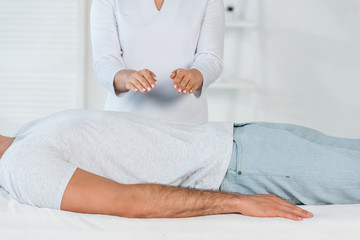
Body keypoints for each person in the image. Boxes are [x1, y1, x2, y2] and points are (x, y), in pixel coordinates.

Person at [0, 110, 359, 221]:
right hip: (245, 167)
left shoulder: (27, 135)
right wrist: (236, 202)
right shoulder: (22, 167)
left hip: (243, 137)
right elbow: (128, 202)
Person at [91, 0, 224, 123]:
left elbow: (211, 56)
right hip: (125, 121)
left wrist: (196, 75)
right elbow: (104, 60)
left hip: (187, 123)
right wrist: (127, 77)